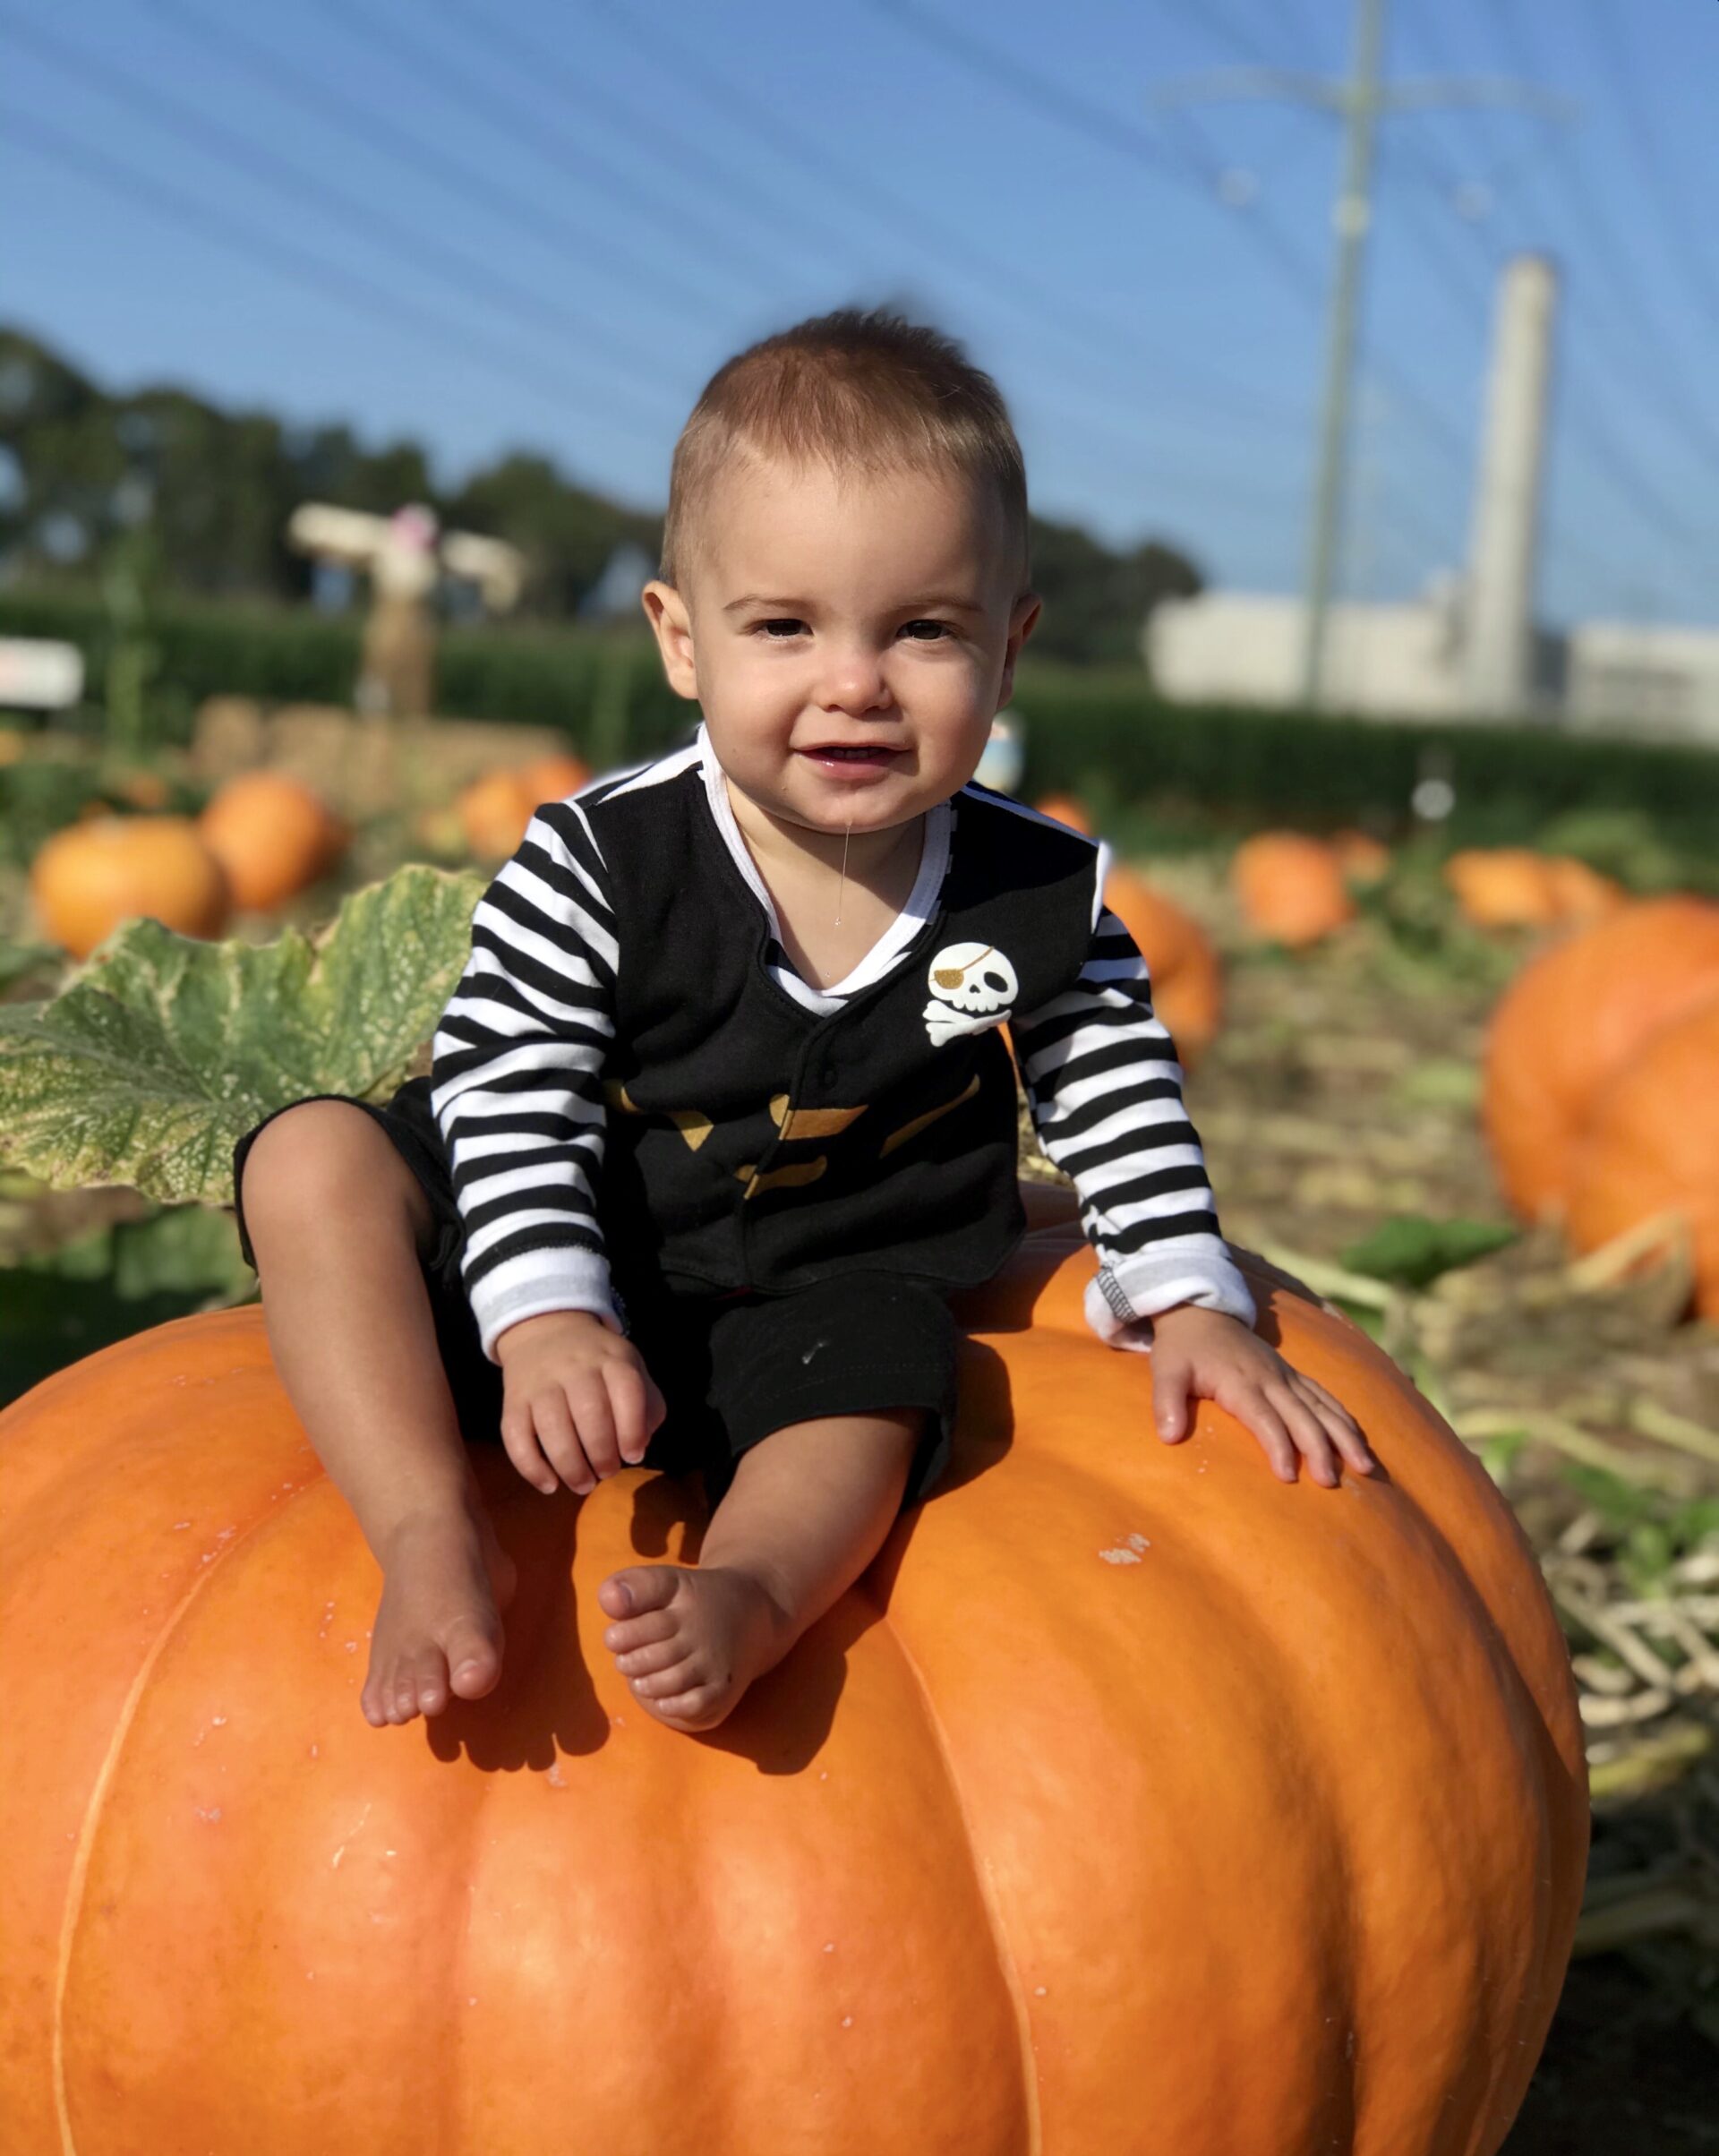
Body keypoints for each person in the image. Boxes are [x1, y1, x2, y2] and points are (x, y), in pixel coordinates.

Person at [233, 308, 1374, 1738]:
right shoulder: (597, 860)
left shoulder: (1036, 894)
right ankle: (424, 1531)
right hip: (562, 1222)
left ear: (1008, 653)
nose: (854, 682)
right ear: (682, 640)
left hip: (817, 1274)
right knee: (312, 1163)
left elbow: (1117, 1085)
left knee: (877, 1394)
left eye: (923, 631)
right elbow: (511, 1088)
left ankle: (756, 1591)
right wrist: (541, 1316)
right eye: (785, 626)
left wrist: (1193, 1300)